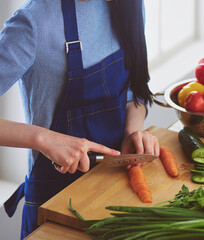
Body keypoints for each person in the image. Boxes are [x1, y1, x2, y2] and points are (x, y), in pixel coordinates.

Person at [0, 0, 159, 239]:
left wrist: (131, 133)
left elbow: (135, 90)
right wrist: (43, 139)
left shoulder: (129, 5)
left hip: (120, 193)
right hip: (54, 205)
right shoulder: (32, 22)